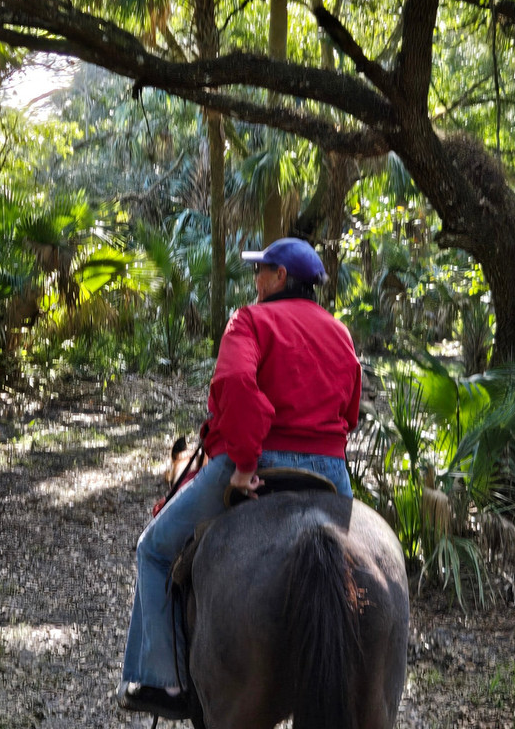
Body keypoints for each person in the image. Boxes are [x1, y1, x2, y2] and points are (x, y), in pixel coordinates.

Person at [117, 237, 362, 720]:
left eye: (262, 271)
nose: (256, 280)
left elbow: (234, 385)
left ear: (279, 279)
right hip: (331, 471)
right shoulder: (340, 333)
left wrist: (247, 463)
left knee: (155, 549)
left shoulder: (250, 321)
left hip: (259, 461)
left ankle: (160, 681)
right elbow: (350, 409)